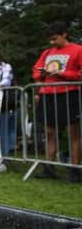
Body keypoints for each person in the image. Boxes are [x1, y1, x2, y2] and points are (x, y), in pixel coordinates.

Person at [32, 21, 82, 183]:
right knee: (49, 132)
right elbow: (36, 71)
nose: (52, 43)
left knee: (72, 133)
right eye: (50, 40)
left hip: (69, 94)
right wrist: (41, 75)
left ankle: (75, 169)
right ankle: (49, 167)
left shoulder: (78, 50)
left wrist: (62, 73)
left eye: (55, 39)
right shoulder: (47, 53)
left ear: (64, 34)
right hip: (48, 94)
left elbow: (80, 73)